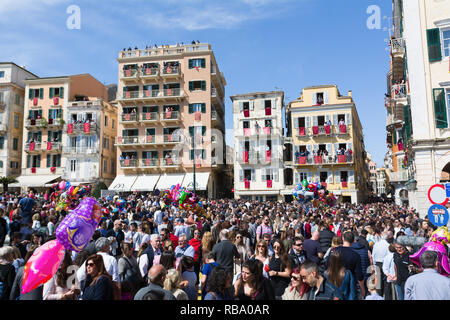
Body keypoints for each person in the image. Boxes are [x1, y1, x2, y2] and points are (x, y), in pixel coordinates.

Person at [325, 231, 365, 299]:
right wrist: (362, 290)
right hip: (348, 286)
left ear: (343, 239)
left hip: (333, 282)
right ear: (353, 241)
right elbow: (359, 276)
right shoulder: (355, 255)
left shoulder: (333, 251)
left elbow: (326, 267)